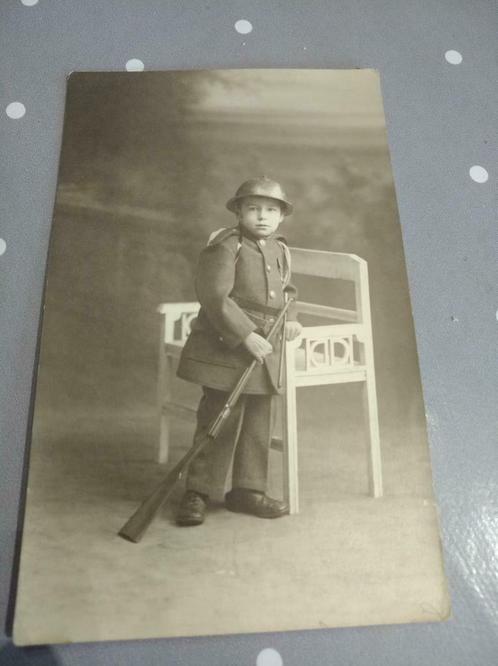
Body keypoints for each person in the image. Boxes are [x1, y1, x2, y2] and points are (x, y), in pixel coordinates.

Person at [175, 176, 302, 526]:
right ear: (239, 212)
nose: (262, 216)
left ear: (281, 217)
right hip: (225, 344)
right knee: (219, 416)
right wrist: (245, 334)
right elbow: (215, 296)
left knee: (260, 418)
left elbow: (288, 291)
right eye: (253, 208)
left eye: (271, 210)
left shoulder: (280, 250)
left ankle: (247, 490)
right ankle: (198, 491)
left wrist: (291, 318)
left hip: (266, 349)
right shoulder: (226, 245)